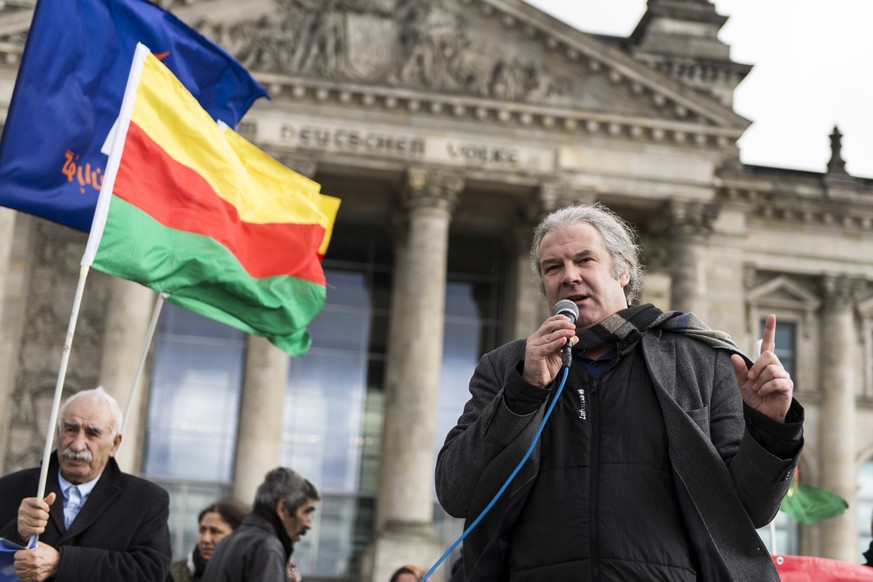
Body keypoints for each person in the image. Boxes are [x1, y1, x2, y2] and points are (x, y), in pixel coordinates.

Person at [435, 203, 803, 581]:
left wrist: (770, 428)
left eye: (584, 260)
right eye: (553, 267)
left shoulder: (700, 360)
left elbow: (750, 511)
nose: (570, 277)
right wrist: (521, 392)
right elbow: (455, 491)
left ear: (623, 271)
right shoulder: (506, 368)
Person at [0, 386, 172, 581]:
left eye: (93, 433)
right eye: (71, 429)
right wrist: (17, 532)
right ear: (58, 432)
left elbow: (150, 572)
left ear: (115, 444)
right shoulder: (9, 488)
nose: (77, 444)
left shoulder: (146, 500)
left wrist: (61, 562)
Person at [202, 467, 320, 582]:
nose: (308, 523)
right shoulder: (267, 548)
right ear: (282, 509)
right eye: (306, 512)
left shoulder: (227, 542)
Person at [169, 499, 247, 582]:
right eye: (202, 530)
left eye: (215, 531)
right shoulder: (172, 575)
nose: (205, 539)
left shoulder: (249, 575)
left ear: (237, 536)